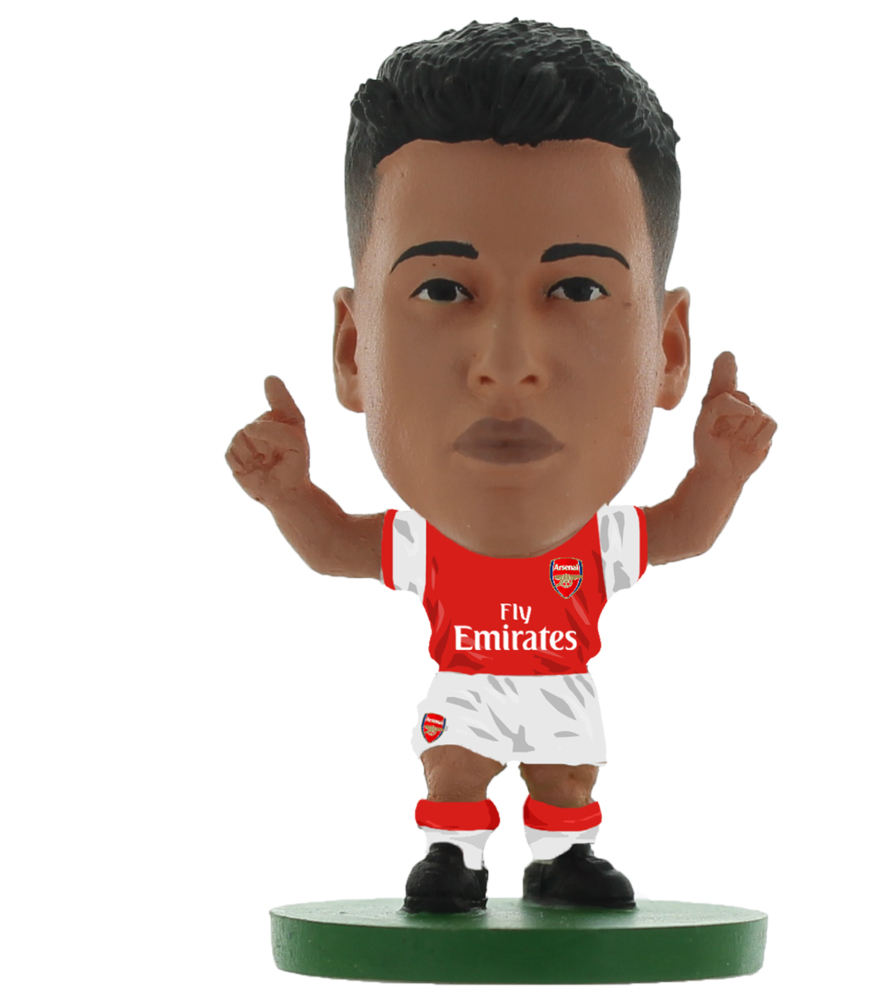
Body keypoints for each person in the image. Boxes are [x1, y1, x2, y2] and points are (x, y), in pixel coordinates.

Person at [226, 20, 775, 913]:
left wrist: (722, 470)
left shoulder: (597, 542)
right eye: (443, 289)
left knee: (568, 770)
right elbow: (330, 547)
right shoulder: (427, 541)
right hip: (468, 685)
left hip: (560, 684)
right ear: (354, 349)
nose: (508, 364)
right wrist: (286, 493)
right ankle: (453, 851)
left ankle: (564, 856)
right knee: (454, 761)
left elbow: (683, 531)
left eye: (578, 289)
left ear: (667, 350)